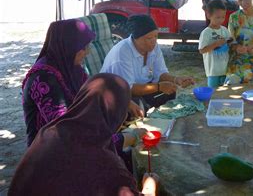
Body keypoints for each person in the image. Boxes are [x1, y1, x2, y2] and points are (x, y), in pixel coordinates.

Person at [9, 73, 159, 196]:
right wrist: (149, 187)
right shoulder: (108, 168)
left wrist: (133, 136)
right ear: (117, 115)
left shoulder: (49, 132)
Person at [21, 19, 95, 146]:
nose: (88, 52)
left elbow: (92, 92)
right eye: (84, 47)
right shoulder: (43, 78)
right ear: (69, 45)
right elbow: (63, 127)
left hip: (74, 137)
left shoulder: (72, 67)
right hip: (47, 151)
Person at [101, 14, 195, 111]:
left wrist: (176, 79)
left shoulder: (154, 47)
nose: (153, 41)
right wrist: (159, 87)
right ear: (135, 38)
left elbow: (160, 73)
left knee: (170, 91)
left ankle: (155, 114)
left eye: (156, 36)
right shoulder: (122, 53)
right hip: (118, 95)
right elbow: (129, 89)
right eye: (149, 38)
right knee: (138, 104)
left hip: (140, 87)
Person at [199, 0, 232, 88]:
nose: (221, 20)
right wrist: (215, 44)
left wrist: (230, 42)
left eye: (223, 17)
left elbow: (230, 42)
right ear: (209, 15)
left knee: (225, 91)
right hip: (213, 71)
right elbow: (202, 50)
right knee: (213, 92)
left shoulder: (224, 30)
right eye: (218, 17)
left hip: (225, 69)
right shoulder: (206, 33)